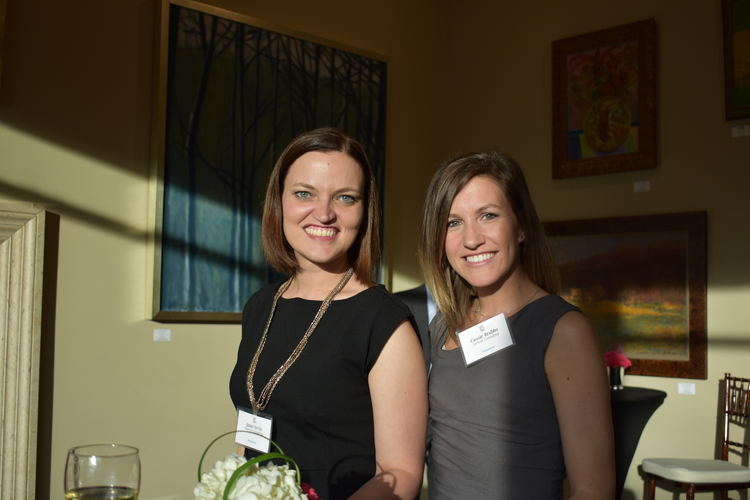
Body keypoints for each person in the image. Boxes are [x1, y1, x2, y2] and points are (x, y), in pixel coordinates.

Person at [229, 128, 428, 500]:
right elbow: (252, 427)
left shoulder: (383, 321)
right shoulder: (261, 305)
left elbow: (401, 472)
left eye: (345, 198)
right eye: (304, 193)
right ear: (280, 202)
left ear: (364, 211)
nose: (324, 213)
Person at [417, 151, 615, 500]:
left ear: (521, 226)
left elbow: (593, 490)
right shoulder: (443, 324)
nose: (471, 239)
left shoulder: (563, 331)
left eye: (488, 216)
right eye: (453, 222)